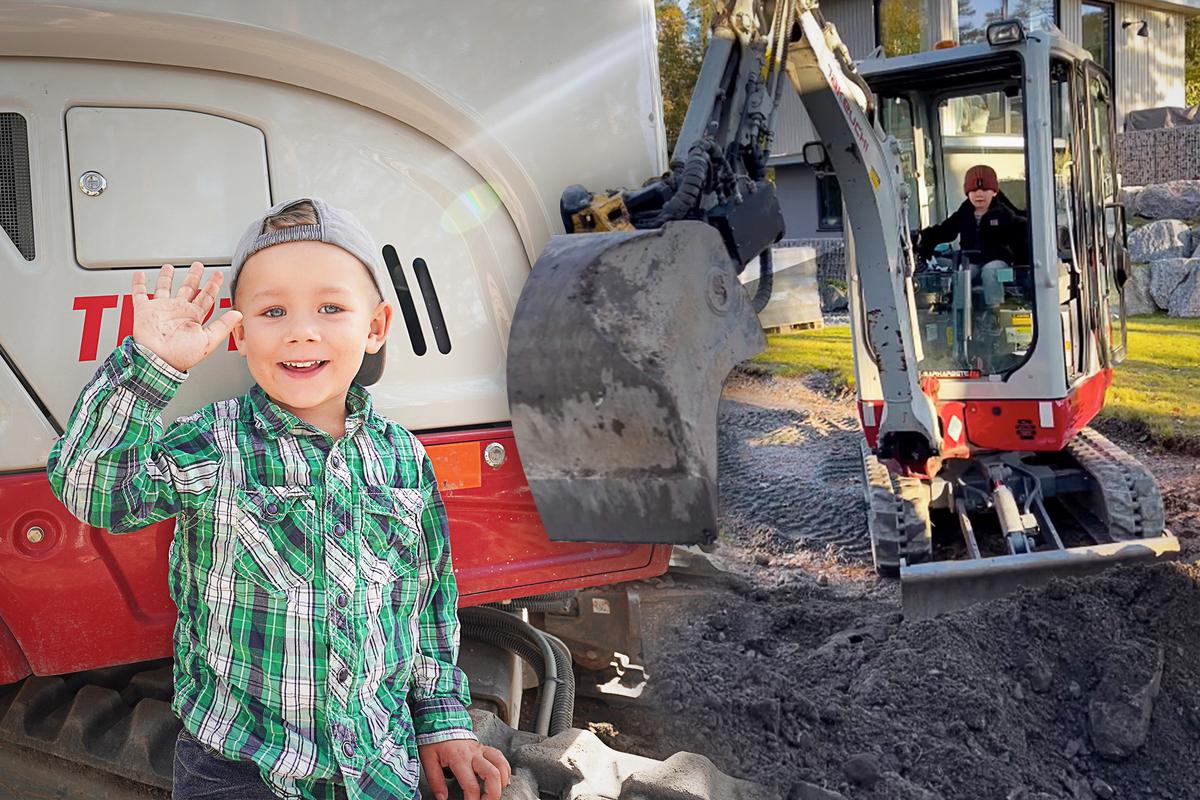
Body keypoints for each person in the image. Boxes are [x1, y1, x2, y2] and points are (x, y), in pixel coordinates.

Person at [46, 198, 511, 800]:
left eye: (330, 307)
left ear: (375, 328)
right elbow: (95, 490)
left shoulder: (403, 456)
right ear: (240, 334)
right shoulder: (216, 443)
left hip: (379, 767)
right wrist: (152, 365)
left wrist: (443, 722)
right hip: (240, 771)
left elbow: (427, 603)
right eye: (273, 311)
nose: (301, 330)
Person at [917, 164, 1029, 266]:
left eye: (985, 190)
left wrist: (1021, 266)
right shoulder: (964, 212)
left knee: (991, 272)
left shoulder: (1003, 214)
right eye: (974, 190)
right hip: (971, 261)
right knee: (962, 272)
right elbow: (945, 231)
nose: (979, 194)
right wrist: (922, 238)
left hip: (999, 262)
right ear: (967, 193)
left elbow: (1020, 237)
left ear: (994, 192)